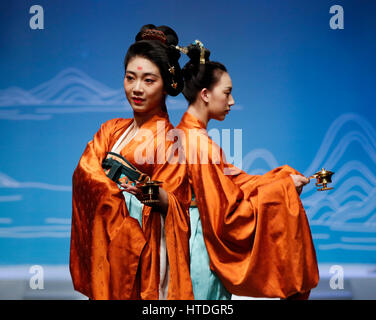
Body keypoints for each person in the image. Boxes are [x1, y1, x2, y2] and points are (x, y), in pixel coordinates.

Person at [176, 42, 319, 299]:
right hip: (198, 246)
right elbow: (227, 214)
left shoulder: (189, 135)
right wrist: (282, 190)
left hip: (190, 239)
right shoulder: (198, 144)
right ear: (206, 94)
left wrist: (280, 180)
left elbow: (234, 182)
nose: (232, 101)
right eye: (227, 92)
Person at [70, 24, 194, 300]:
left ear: (166, 85)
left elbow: (176, 202)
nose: (136, 89)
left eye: (149, 80)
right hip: (109, 242)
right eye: (130, 78)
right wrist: (114, 196)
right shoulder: (111, 129)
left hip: (146, 247)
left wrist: (153, 194)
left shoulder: (171, 140)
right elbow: (84, 172)